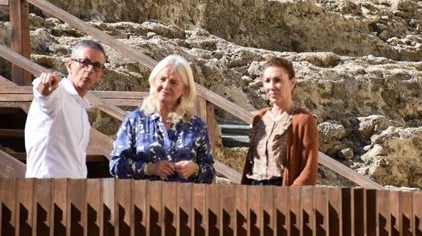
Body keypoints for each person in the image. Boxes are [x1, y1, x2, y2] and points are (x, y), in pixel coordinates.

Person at [109, 54, 215, 183]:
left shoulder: (198, 126)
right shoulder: (135, 121)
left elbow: (210, 172)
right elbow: (115, 165)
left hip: (185, 201)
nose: (166, 86)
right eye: (162, 79)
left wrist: (195, 168)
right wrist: (149, 169)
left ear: (185, 90)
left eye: (174, 82)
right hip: (143, 200)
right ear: (153, 81)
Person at [24, 39, 107, 178]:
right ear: (69, 66)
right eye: (84, 62)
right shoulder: (59, 94)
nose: (90, 69)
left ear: (100, 75)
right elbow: (45, 95)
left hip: (72, 192)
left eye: (96, 65)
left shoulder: (81, 109)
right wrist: (45, 87)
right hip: (45, 189)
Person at [241, 57, 319, 186]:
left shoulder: (303, 120)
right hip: (253, 191)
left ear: (292, 83)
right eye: (267, 81)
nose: (271, 86)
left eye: (278, 80)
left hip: (283, 192)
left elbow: (309, 169)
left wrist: (289, 199)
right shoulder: (260, 117)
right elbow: (251, 163)